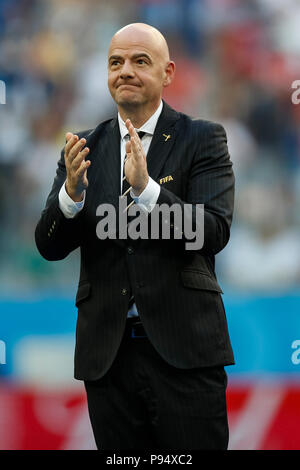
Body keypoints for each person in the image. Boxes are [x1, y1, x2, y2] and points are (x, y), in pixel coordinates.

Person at [35, 23, 235, 450]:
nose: (125, 70)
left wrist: (147, 191)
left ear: (168, 73)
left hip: (185, 354)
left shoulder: (202, 138)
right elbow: (48, 246)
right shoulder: (83, 148)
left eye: (140, 61)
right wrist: (70, 195)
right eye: (115, 62)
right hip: (108, 358)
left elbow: (213, 231)